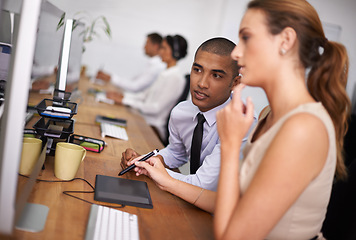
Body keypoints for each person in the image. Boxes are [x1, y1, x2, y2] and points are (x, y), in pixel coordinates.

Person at [213, 0, 351, 239]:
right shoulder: (270, 113)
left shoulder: (303, 129)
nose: (236, 52)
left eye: (246, 37)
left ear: (285, 41)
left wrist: (230, 143)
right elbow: (239, 204)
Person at [121, 37, 256, 194]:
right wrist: (145, 160)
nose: (202, 83)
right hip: (190, 201)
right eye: (197, 70)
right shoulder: (181, 112)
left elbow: (202, 185)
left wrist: (149, 170)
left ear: (235, 83)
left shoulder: (242, 123)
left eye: (216, 75)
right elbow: (176, 153)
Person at [107, 35, 188, 141]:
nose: (160, 52)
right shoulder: (165, 72)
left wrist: (125, 100)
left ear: (175, 53)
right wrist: (123, 97)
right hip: (144, 120)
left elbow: (155, 108)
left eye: (164, 48)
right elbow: (145, 95)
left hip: (153, 127)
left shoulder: (175, 77)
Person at [95, 32, 165, 92]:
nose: (144, 47)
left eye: (147, 43)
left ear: (155, 46)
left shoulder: (156, 67)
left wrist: (110, 78)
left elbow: (135, 87)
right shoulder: (152, 64)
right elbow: (133, 82)